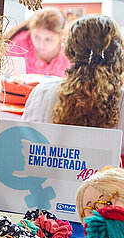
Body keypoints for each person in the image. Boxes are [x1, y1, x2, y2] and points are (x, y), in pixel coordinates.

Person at [23, 15, 124, 148]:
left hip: (48, 169)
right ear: (117, 53)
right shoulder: (121, 101)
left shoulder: (42, 93)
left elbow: (26, 145)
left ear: (70, 51)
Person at [6, 7, 71, 76]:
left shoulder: (71, 52)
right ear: (31, 31)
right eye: (37, 37)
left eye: (48, 39)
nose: (41, 44)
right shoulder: (17, 45)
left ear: (61, 36)